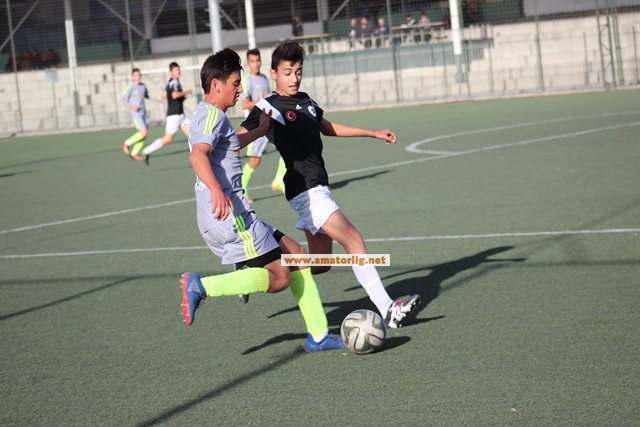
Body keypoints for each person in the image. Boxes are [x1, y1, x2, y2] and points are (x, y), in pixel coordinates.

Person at [239, 42, 421, 329]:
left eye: (299, 71)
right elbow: (239, 137)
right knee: (354, 239)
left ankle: (254, 265)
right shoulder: (268, 106)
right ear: (273, 73)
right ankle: (388, 309)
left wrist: (372, 132)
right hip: (305, 190)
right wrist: (212, 151)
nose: (295, 78)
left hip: (317, 186)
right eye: (287, 72)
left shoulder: (306, 101)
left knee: (321, 264)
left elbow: (328, 127)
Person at [180, 47, 344, 353]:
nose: (239, 89)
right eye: (235, 83)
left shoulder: (209, 115)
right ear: (216, 84)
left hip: (233, 214)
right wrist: (216, 189)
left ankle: (319, 335)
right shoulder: (212, 115)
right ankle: (203, 285)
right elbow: (198, 155)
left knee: (296, 256)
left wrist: (258, 131)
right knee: (280, 278)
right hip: (230, 215)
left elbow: (228, 144)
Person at [240, 49, 286, 203]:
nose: (256, 64)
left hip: (271, 122)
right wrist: (262, 103)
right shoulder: (247, 81)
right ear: (248, 63)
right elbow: (245, 104)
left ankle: (278, 180)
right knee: (255, 160)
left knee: (287, 150)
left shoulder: (265, 78)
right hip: (257, 126)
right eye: (252, 61)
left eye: (258, 60)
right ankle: (242, 189)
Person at [142, 62, 193, 164]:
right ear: (171, 72)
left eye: (178, 69)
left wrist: (162, 97)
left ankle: (197, 157)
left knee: (193, 135)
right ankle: (146, 151)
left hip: (181, 115)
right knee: (167, 139)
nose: (178, 72)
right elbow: (174, 95)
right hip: (174, 116)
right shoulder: (174, 82)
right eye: (175, 70)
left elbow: (166, 93)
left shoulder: (172, 82)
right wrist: (186, 92)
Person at [121, 68, 149, 161]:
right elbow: (123, 99)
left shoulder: (143, 86)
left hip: (143, 112)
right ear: (132, 77)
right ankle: (127, 143)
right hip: (136, 114)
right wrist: (131, 106)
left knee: (144, 134)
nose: (137, 77)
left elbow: (147, 96)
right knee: (143, 132)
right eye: (135, 75)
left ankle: (134, 153)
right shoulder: (130, 87)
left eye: (139, 75)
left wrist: (159, 99)